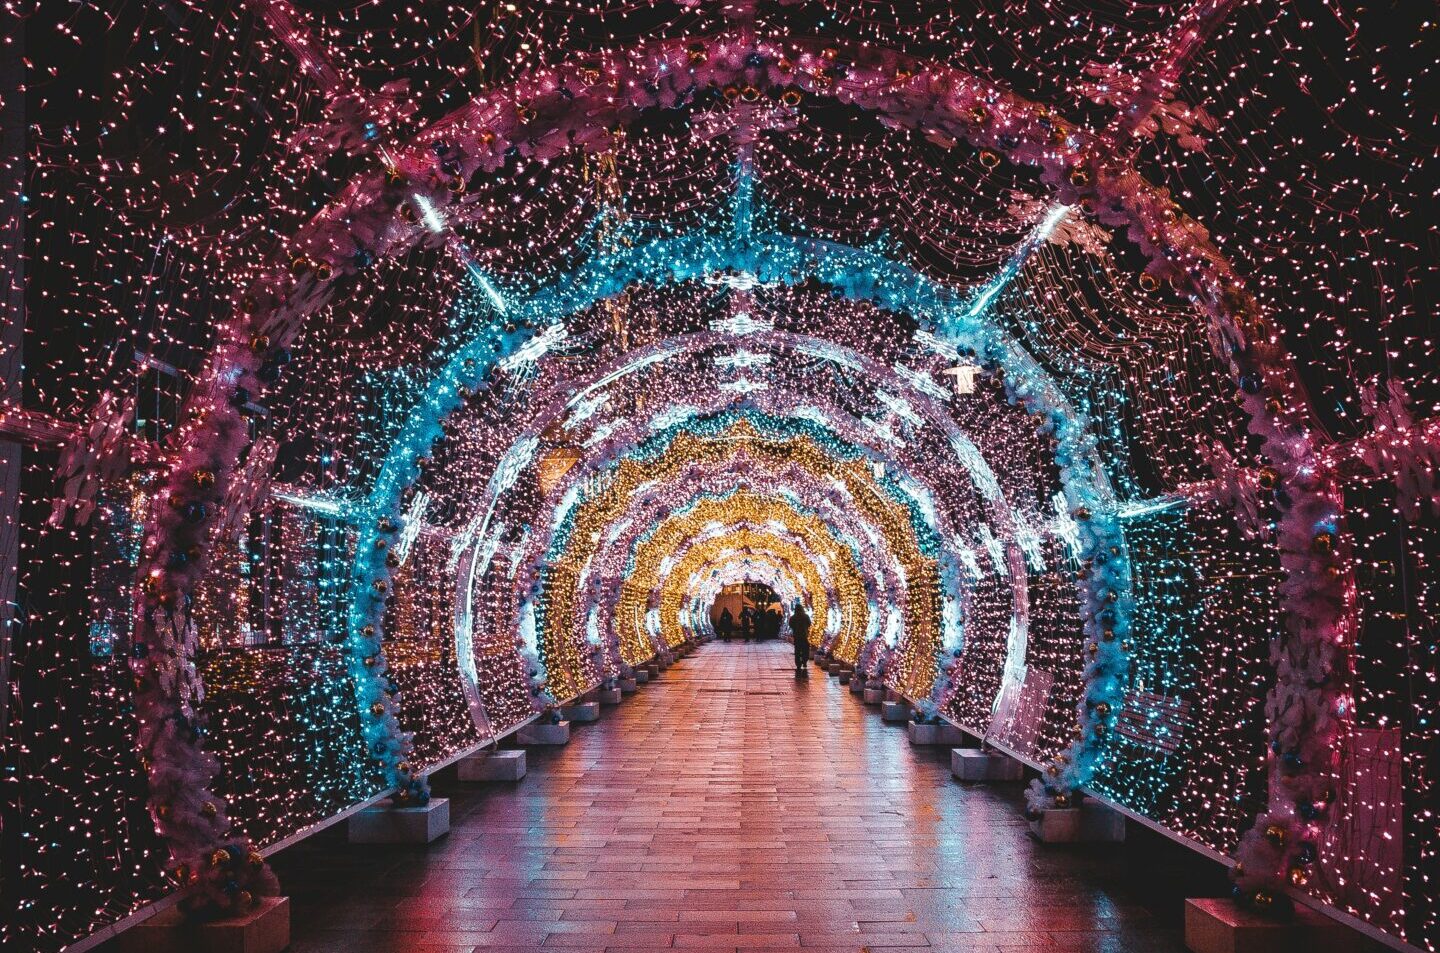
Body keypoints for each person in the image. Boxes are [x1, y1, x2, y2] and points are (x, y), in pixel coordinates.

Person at [790, 602, 812, 677]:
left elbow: (791, 625)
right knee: (805, 649)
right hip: (804, 636)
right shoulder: (806, 616)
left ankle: (798, 664)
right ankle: (804, 661)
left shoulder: (793, 617)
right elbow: (809, 624)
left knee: (797, 650)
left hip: (796, 636)